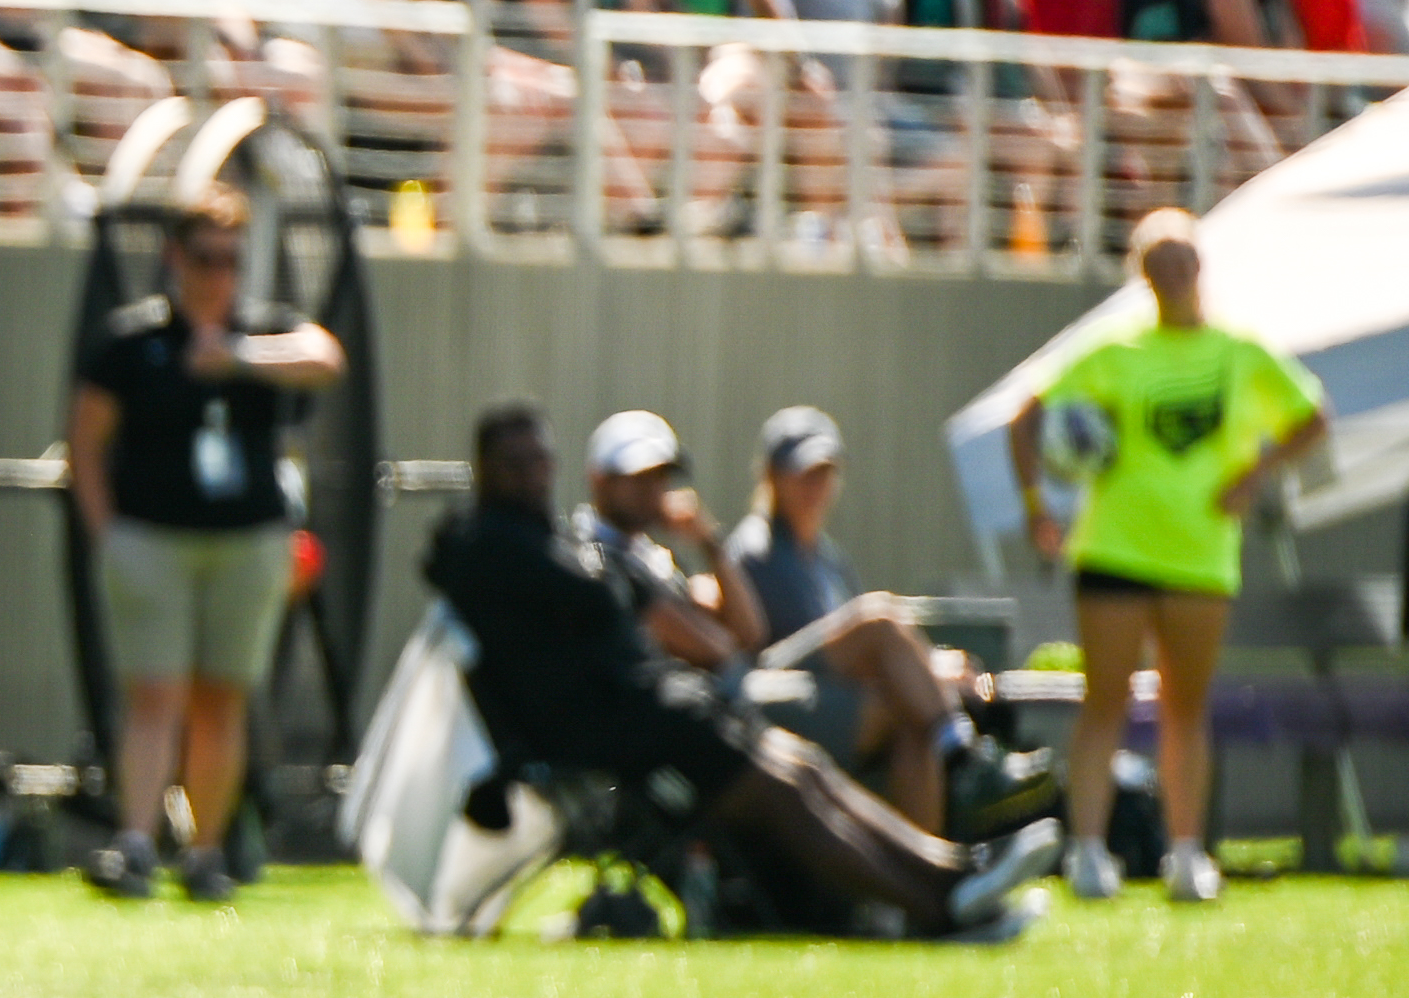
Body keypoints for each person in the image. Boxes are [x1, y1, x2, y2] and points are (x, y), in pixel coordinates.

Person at [424, 396, 1044, 941]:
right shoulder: (499, 546)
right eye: (516, 463)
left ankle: (952, 874)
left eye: (540, 460)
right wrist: (626, 586)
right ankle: (937, 906)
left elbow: (719, 635)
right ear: (488, 470)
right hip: (627, 733)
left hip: (663, 710)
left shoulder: (552, 543)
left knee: (804, 769)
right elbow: (630, 614)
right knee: (782, 792)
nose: (532, 474)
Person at [1009, 210, 1331, 906]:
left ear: (1200, 265)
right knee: (1106, 700)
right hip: (1114, 549)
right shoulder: (1115, 351)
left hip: (1199, 555)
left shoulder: (1240, 351)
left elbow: (1313, 415)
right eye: (1158, 263)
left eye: (1182, 258)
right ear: (1143, 275)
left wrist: (1255, 475)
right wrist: (1039, 506)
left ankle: (1186, 854)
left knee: (1186, 705)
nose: (1173, 273)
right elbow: (1025, 417)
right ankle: (1087, 852)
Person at [64, 195, 341, 900]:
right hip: (152, 538)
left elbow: (325, 356)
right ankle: (135, 843)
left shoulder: (261, 331)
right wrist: (106, 531)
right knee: (155, 693)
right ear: (174, 258)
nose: (218, 274)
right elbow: (86, 440)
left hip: (245, 540)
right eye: (204, 258)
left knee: (221, 697)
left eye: (231, 260)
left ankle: (205, 851)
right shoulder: (134, 341)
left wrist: (240, 358)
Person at [717, 404, 973, 840]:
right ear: (772, 476)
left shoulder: (831, 561)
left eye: (826, 473)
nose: (816, 486)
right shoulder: (754, 552)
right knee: (878, 619)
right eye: (804, 473)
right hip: (776, 692)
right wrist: (930, 670)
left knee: (910, 722)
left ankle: (923, 867)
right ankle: (965, 755)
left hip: (835, 694)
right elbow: (777, 642)